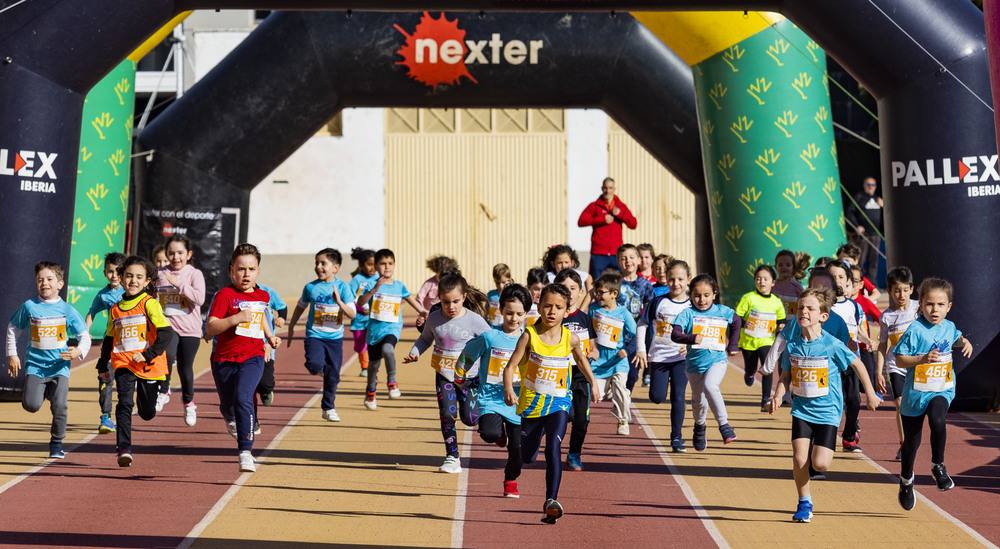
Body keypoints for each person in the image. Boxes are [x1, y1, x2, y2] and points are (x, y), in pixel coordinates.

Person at [769, 287, 881, 523]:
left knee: (819, 464)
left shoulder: (831, 345)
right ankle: (803, 502)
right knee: (800, 459)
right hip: (802, 410)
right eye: (801, 308)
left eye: (810, 308)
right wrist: (778, 396)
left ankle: (814, 461)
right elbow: (785, 377)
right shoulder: (792, 345)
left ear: (823, 316)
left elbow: (858, 365)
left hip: (828, 412)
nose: (803, 311)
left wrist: (870, 394)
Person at [503, 283, 598, 524]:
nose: (551, 311)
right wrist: (508, 389)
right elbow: (511, 366)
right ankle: (527, 452)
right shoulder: (529, 336)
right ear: (538, 307)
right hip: (531, 405)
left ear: (567, 311)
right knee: (528, 456)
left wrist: (593, 383)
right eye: (547, 306)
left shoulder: (571, 338)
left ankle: (550, 502)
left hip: (558, 402)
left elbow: (581, 360)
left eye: (558, 307)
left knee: (553, 448)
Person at [894, 277, 972, 511]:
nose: (934, 310)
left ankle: (938, 466)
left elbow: (954, 338)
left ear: (948, 306)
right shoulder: (915, 330)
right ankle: (906, 480)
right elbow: (899, 359)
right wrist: (922, 359)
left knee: (938, 421)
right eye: (929, 304)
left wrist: (964, 342)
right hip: (916, 395)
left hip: (942, 390)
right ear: (921, 306)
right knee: (911, 445)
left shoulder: (949, 326)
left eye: (940, 305)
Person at [205, 243, 282, 473]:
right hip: (224, 360)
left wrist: (270, 338)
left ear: (258, 271)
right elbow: (211, 327)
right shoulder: (224, 296)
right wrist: (235, 318)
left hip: (253, 356)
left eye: (251, 269)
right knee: (229, 405)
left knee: (244, 397)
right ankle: (228, 415)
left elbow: (263, 318)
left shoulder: (262, 295)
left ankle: (245, 451)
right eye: (241, 269)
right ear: (231, 270)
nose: (246, 274)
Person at [404, 271, 490, 474]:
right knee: (447, 415)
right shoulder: (434, 319)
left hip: (470, 379)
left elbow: (490, 341)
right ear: (439, 299)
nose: (450, 307)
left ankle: (488, 415)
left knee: (470, 418)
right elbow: (425, 339)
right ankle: (452, 457)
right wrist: (415, 353)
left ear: (464, 297)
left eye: (455, 301)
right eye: (445, 302)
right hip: (444, 376)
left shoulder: (474, 320)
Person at [6, 261, 92, 459]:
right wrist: (12, 354)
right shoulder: (29, 307)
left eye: (49, 279)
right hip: (35, 366)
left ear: (60, 284)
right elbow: (12, 328)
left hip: (59, 366)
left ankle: (56, 442)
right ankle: (42, 392)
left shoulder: (67, 310)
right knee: (31, 405)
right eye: (40, 280)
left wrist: (78, 351)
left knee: (60, 406)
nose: (44, 283)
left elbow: (84, 336)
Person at [95, 255, 173, 467]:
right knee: (124, 403)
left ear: (147, 281)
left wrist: (148, 354)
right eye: (129, 276)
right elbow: (110, 338)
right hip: (124, 362)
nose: (133, 281)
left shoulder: (150, 304)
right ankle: (124, 449)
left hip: (149, 364)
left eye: (139, 277)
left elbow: (167, 333)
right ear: (120, 278)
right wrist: (103, 364)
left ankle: (150, 398)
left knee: (147, 413)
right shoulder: (115, 309)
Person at [457, 283, 529, 497]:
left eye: (519, 314)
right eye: (509, 313)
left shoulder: (529, 339)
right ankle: (499, 434)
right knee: (489, 434)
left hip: (518, 402)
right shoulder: (490, 337)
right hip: (491, 399)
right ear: (501, 311)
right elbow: (468, 353)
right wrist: (460, 373)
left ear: (526, 313)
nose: (513, 319)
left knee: (518, 450)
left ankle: (510, 479)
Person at [671, 274, 742, 450]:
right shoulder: (687, 313)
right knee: (699, 401)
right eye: (697, 295)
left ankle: (725, 426)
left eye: (706, 295)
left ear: (714, 294)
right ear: (690, 295)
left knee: (711, 386)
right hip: (694, 365)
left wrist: (733, 344)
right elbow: (675, 334)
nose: (701, 300)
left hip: (717, 360)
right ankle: (699, 427)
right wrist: (691, 337)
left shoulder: (722, 311)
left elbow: (737, 321)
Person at [286, 248, 356, 422]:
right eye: (316, 263)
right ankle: (322, 371)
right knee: (314, 365)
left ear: (336, 267)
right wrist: (292, 325)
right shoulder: (311, 287)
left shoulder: (343, 287)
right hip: (315, 335)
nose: (318, 267)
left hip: (335, 339)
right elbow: (300, 306)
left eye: (323, 263)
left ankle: (328, 407)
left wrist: (339, 301)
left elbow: (352, 314)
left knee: (333, 377)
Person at [358, 248, 429, 410]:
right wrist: (374, 289)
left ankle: (392, 382)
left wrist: (421, 310)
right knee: (373, 367)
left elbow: (409, 297)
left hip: (392, 328)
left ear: (394, 265)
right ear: (375, 266)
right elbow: (360, 303)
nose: (387, 267)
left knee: (388, 349)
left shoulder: (399, 286)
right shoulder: (370, 284)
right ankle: (370, 390)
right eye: (383, 264)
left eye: (390, 263)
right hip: (374, 332)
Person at [635, 259, 691, 452]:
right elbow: (642, 324)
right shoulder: (658, 302)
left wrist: (690, 347)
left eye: (680, 279)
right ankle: (660, 386)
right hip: (659, 357)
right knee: (657, 397)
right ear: (666, 279)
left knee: (679, 397)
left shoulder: (693, 305)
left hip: (681, 359)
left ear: (688, 280)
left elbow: (701, 330)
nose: (676, 283)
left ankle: (676, 437)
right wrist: (641, 349)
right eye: (672, 279)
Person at [155, 235, 206, 425]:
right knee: (166, 354)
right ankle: (164, 390)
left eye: (180, 253)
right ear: (166, 254)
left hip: (190, 329)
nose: (175, 257)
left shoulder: (194, 274)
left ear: (189, 254)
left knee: (185, 370)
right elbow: (152, 295)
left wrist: (178, 284)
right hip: (168, 326)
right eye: (171, 253)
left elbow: (199, 299)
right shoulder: (160, 273)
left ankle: (188, 403)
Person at [826, 260, 874, 453]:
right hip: (830, 362)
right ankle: (826, 438)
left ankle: (848, 437)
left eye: (841, 277)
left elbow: (859, 330)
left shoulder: (854, 307)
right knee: (833, 402)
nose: (837, 281)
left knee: (854, 400)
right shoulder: (825, 307)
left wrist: (867, 340)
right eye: (833, 277)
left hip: (851, 360)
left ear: (848, 282)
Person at [876, 266, 920, 461]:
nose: (900, 295)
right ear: (890, 291)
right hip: (896, 366)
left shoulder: (919, 309)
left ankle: (915, 438)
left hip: (920, 364)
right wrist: (878, 372)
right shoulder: (887, 316)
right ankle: (904, 445)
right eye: (896, 290)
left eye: (904, 290)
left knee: (918, 407)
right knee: (900, 404)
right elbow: (882, 345)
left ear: (911, 289)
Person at [586, 271, 637, 437]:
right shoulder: (593, 310)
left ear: (614, 294)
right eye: (596, 292)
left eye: (601, 293)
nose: (598, 295)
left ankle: (623, 420)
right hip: (598, 363)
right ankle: (617, 396)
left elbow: (636, 335)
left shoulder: (623, 314)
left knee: (621, 386)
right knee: (596, 397)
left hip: (618, 362)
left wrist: (627, 350)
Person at [557, 269, 597, 470]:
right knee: (566, 416)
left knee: (581, 419)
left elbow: (591, 343)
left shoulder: (584, 318)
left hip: (580, 374)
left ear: (581, 292)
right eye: (564, 288)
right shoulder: (552, 318)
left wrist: (594, 351)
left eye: (573, 288)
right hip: (557, 375)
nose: (569, 292)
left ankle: (574, 453)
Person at [85, 251, 126, 435]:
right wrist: (84, 335)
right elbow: (91, 313)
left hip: (132, 347)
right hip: (111, 345)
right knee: (105, 378)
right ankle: (106, 416)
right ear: (104, 273)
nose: (114, 276)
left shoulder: (132, 290)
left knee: (130, 381)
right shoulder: (103, 295)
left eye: (118, 271)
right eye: (110, 271)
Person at [736, 264, 786, 411]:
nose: (762, 282)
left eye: (765, 279)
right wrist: (745, 324)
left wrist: (781, 325)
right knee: (751, 367)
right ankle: (749, 373)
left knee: (767, 367)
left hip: (767, 340)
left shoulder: (776, 301)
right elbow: (737, 317)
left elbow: (781, 319)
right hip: (749, 341)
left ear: (773, 282)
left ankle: (765, 398)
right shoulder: (749, 298)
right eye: (758, 278)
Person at [577, 177, 637, 279]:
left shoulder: (620, 207)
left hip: (616, 253)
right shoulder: (595, 206)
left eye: (610, 188)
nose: (607, 191)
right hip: (598, 253)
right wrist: (601, 219)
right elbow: (581, 221)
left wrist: (620, 214)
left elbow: (633, 224)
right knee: (596, 282)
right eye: (605, 188)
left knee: (620, 282)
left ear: (614, 189)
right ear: (602, 188)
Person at [616, 244, 654, 392]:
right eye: (623, 258)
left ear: (638, 260)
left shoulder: (645, 284)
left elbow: (650, 309)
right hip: (615, 335)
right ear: (618, 262)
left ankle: (625, 397)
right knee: (615, 372)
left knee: (632, 375)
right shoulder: (614, 281)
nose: (628, 261)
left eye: (632, 257)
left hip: (634, 336)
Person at [849, 263, 882, 395]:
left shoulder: (864, 302)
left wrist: (882, 332)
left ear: (861, 285)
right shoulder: (839, 304)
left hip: (863, 348)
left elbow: (882, 319)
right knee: (851, 386)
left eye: (855, 281)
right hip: (847, 348)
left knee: (867, 383)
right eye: (849, 281)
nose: (851, 284)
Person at [255, 283, 286, 420]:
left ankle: (265, 391)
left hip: (266, 347)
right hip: (244, 347)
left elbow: (282, 307)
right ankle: (252, 420)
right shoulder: (229, 295)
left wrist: (281, 317)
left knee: (264, 383)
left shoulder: (267, 292)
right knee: (245, 388)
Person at [845, 176, 883, 282]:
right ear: (864, 185)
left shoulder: (878, 199)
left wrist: (884, 206)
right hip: (863, 234)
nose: (871, 187)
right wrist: (857, 225)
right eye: (868, 185)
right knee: (860, 260)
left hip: (875, 234)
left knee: (873, 261)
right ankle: (858, 282)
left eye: (873, 185)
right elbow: (850, 212)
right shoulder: (860, 197)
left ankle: (872, 284)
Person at [349, 247, 378, 378]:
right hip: (359, 320)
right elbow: (348, 298)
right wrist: (360, 309)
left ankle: (369, 367)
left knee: (373, 344)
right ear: (361, 265)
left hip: (374, 320)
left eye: (375, 264)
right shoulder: (356, 280)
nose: (373, 268)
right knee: (360, 346)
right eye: (369, 264)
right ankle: (364, 364)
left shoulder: (378, 278)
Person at [542, 244, 593, 311]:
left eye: (566, 262)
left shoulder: (575, 274)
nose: (564, 266)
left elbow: (589, 280)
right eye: (560, 263)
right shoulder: (548, 277)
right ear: (553, 264)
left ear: (572, 263)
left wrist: (582, 309)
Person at [415, 255, 458, 330]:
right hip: (430, 315)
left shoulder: (452, 284)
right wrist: (422, 312)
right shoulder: (429, 283)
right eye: (440, 272)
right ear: (435, 271)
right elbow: (419, 298)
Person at [773, 250, 809, 319]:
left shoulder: (796, 286)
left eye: (788, 265)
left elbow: (804, 303)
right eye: (780, 265)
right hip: (775, 324)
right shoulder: (772, 285)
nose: (784, 267)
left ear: (793, 267)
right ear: (776, 267)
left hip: (791, 324)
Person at [486, 263, 512, 327]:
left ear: (510, 279)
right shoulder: (491, 295)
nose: (500, 286)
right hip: (491, 327)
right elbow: (486, 311)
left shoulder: (512, 295)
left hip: (505, 328)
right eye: (497, 283)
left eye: (503, 282)